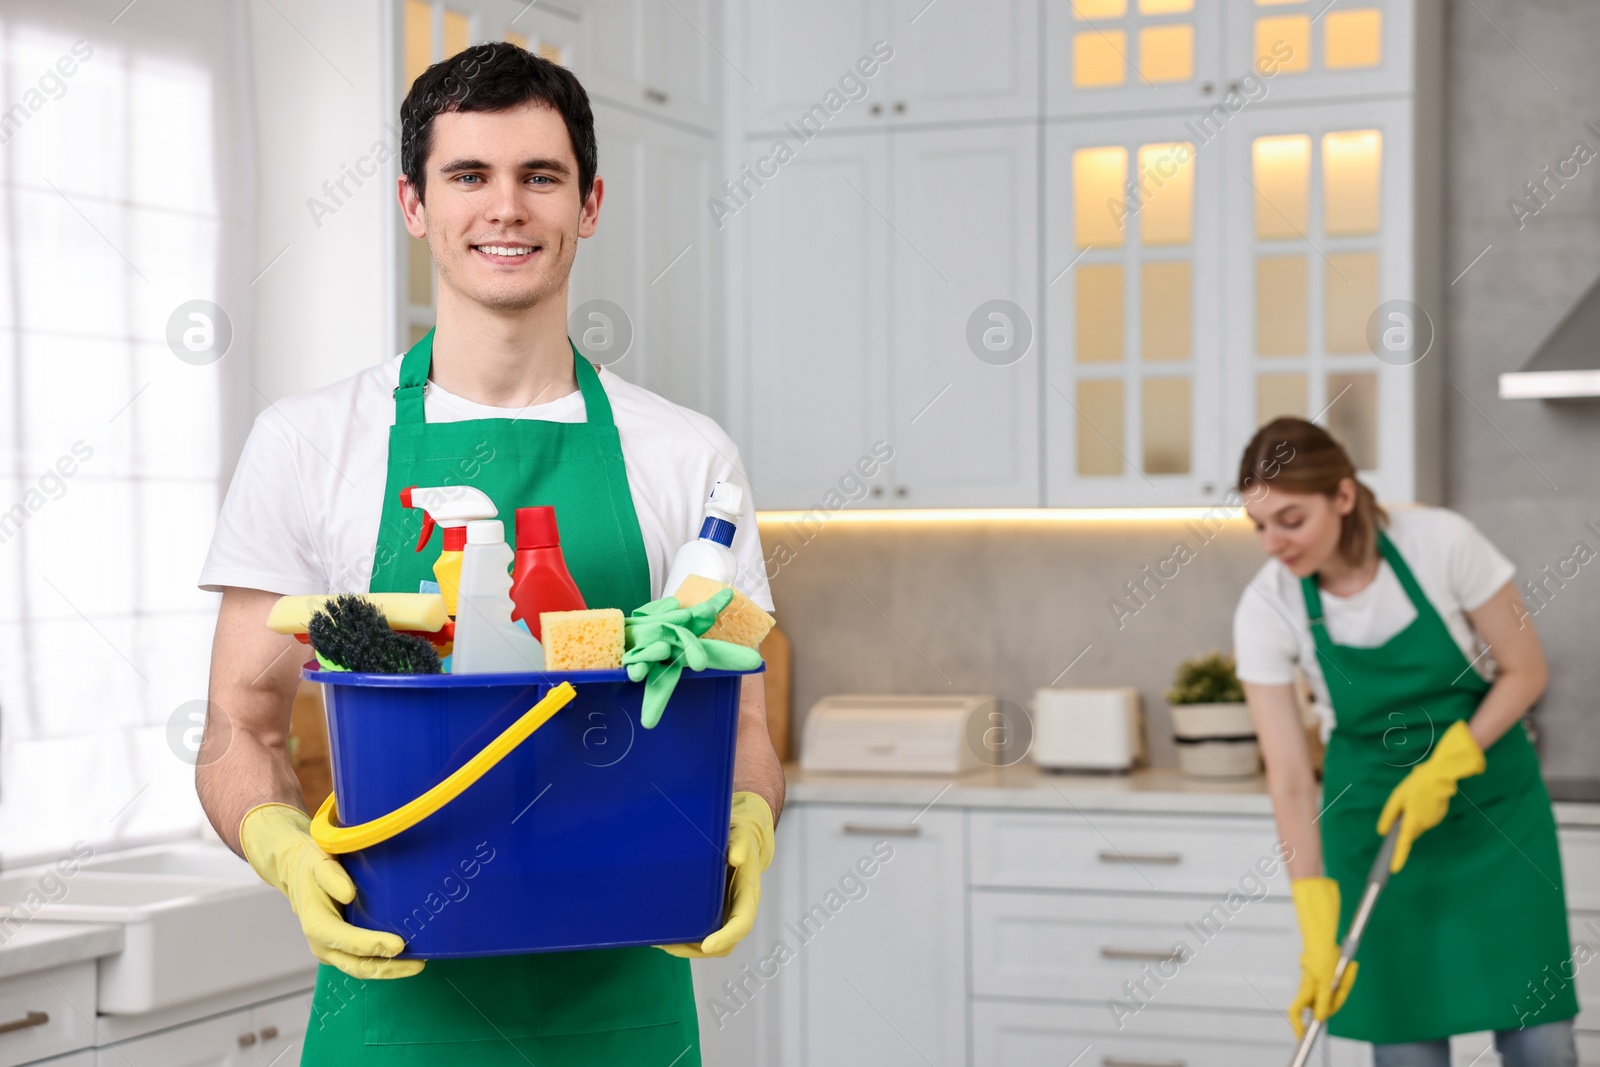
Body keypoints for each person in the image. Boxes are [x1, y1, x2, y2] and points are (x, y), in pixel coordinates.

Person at [194, 42, 785, 1066]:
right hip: (396, 1010)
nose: (504, 208)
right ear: (413, 205)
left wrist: (745, 819)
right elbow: (235, 727)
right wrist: (283, 850)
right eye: (468, 175)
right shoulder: (307, 441)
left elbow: (743, 720)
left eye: (539, 177)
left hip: (626, 1008)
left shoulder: (688, 455)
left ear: (588, 203)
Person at [1231, 417, 1579, 1066]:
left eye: (1290, 519)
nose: (1273, 542)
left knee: (1540, 1038)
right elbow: (1288, 777)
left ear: (1342, 495)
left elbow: (1525, 669)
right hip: (1374, 838)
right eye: (1259, 526)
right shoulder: (1266, 605)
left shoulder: (1440, 542)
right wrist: (1314, 917)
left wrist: (1449, 761)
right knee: (1407, 1050)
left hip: (1492, 818)